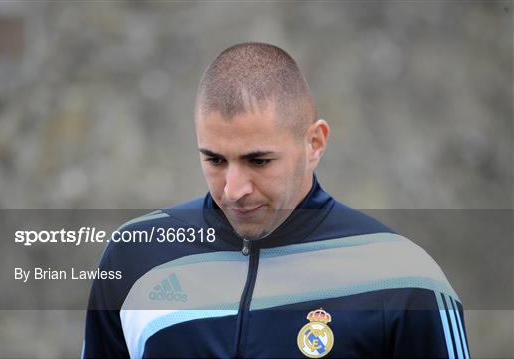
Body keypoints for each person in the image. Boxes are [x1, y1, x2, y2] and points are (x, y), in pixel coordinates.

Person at [83, 42, 470, 358]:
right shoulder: (134, 256)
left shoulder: (405, 280)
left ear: (314, 143)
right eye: (214, 160)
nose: (234, 189)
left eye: (258, 161)